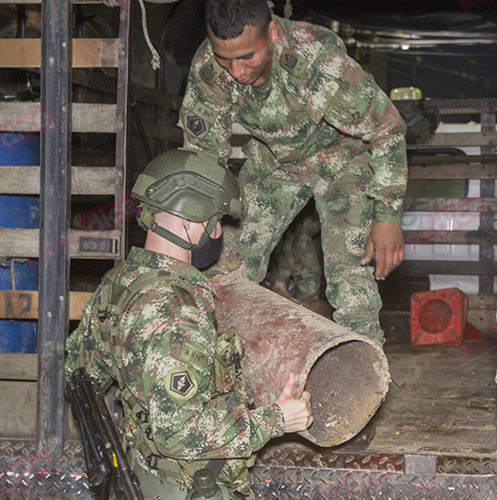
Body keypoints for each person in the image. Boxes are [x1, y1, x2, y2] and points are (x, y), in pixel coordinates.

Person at [65, 147, 313, 500]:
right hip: (189, 490)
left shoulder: (118, 283)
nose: (216, 234)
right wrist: (277, 419)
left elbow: (80, 375)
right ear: (193, 221)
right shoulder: (177, 311)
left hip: (143, 475)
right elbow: (178, 433)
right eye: (216, 222)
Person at [178, 0, 408, 343]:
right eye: (226, 58)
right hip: (275, 163)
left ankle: (362, 378)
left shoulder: (317, 60)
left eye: (247, 57)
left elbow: (387, 128)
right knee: (224, 265)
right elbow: (204, 155)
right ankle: (218, 363)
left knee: (350, 275)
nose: (237, 71)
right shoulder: (209, 68)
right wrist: (200, 218)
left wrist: (388, 217)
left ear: (271, 32)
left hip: (343, 159)